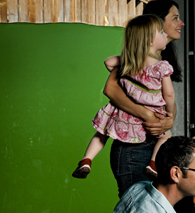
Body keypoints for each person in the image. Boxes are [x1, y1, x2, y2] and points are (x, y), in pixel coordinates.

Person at [72, 15, 174, 182]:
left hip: (123, 115)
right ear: (149, 41)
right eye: (161, 32)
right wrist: (169, 112)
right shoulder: (161, 67)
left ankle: (87, 159)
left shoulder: (128, 64)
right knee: (166, 136)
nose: (165, 35)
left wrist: (125, 60)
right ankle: (153, 163)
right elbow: (169, 94)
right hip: (146, 121)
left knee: (102, 132)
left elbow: (108, 62)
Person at [102, 0, 185, 197]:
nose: (181, 23)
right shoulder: (137, 56)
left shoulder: (161, 59)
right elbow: (111, 89)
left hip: (153, 144)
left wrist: (170, 119)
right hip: (134, 146)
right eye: (175, 18)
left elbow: (165, 99)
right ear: (155, 22)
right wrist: (147, 115)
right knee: (135, 211)